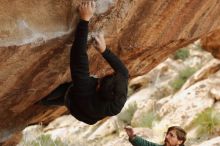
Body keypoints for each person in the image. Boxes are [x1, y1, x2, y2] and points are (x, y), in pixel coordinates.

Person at [42, 1, 129, 125]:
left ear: (97, 87)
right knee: (77, 91)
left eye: (100, 80)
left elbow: (78, 56)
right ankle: (48, 102)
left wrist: (84, 20)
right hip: (91, 114)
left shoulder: (84, 88)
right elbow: (123, 72)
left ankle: (46, 101)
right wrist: (104, 50)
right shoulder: (118, 101)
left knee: (62, 94)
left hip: (75, 103)